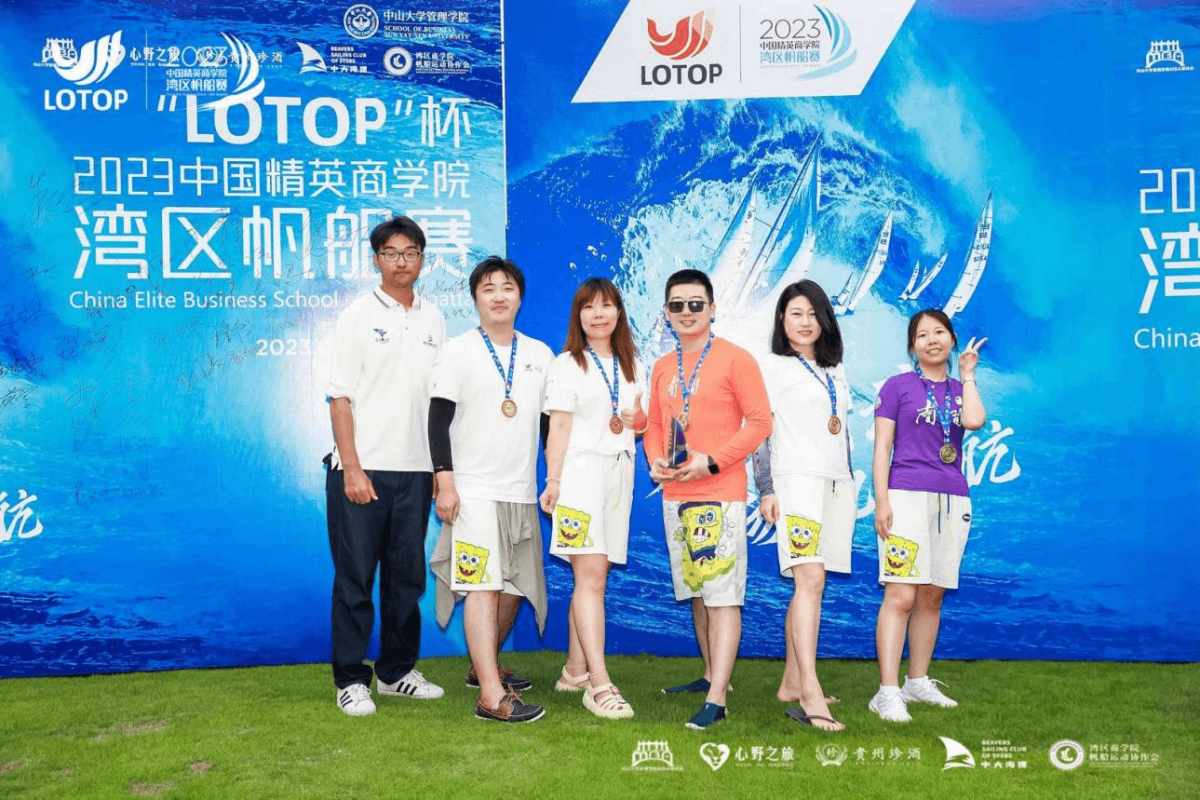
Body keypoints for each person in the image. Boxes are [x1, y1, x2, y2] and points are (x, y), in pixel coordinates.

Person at [324, 216, 446, 716]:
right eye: (391, 253)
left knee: (406, 580)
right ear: (376, 259)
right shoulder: (356, 315)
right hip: (364, 469)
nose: (401, 262)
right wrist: (352, 468)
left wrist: (439, 471)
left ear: (422, 260)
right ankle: (351, 680)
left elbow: (438, 403)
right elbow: (340, 397)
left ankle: (396, 672)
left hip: (416, 470)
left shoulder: (434, 318)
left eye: (410, 253)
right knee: (355, 579)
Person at [643, 268, 772, 730]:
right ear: (666, 312)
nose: (686, 312)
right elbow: (654, 426)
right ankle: (709, 674)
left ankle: (718, 699)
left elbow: (760, 422)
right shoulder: (662, 366)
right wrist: (656, 461)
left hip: (719, 495)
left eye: (695, 304)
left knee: (721, 596)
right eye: (676, 305)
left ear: (712, 309)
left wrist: (712, 463)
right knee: (699, 591)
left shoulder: (737, 359)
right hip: (675, 494)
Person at [428, 256, 555, 724]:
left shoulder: (540, 355)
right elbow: (437, 421)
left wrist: (556, 479)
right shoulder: (457, 351)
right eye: (488, 288)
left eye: (507, 288)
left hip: (520, 491)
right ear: (475, 299)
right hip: (472, 491)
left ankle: (483, 667)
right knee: (481, 587)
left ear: (520, 297)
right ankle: (490, 695)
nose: (499, 296)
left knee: (514, 587)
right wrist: (445, 482)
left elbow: (551, 428)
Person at [869, 309, 987, 722]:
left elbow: (975, 421)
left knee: (932, 595)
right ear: (912, 346)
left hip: (953, 497)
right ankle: (886, 692)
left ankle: (916, 682)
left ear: (952, 339)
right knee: (901, 595)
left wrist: (968, 375)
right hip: (905, 496)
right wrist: (882, 501)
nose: (931, 340)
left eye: (939, 332)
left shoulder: (960, 388)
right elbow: (882, 448)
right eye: (922, 335)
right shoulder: (897, 387)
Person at [539, 278, 646, 720]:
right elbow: (559, 427)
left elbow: (637, 425)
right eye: (589, 307)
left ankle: (573, 671)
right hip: (579, 475)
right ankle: (599, 685)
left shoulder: (634, 364)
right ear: (578, 316)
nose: (598, 314)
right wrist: (553, 481)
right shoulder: (567, 364)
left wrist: (638, 422)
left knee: (594, 575)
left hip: (619, 474)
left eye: (606, 305)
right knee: (591, 578)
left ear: (619, 312)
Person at [752, 280, 852, 732]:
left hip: (836, 484)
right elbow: (759, 432)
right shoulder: (772, 367)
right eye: (796, 313)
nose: (806, 322)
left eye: (813, 313)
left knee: (811, 583)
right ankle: (810, 691)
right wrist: (766, 489)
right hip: (796, 482)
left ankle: (792, 681)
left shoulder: (836, 368)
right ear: (782, 319)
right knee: (810, 579)